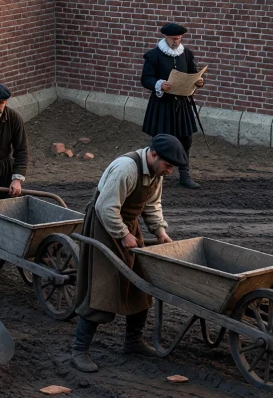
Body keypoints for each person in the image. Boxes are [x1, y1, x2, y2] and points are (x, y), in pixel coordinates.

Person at [70, 133, 186, 373]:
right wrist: (123, 234)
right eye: (168, 165)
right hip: (104, 226)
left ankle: (133, 342)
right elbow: (106, 207)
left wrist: (160, 230)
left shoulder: (156, 173)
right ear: (154, 154)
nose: (170, 172)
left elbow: (152, 204)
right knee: (103, 287)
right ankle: (79, 350)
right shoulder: (127, 168)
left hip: (127, 226)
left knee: (140, 283)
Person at [139, 23, 206, 189]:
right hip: (162, 105)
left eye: (179, 39)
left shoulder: (187, 54)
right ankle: (151, 175)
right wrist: (159, 84)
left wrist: (198, 82)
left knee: (186, 139)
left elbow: (193, 73)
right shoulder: (153, 56)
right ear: (166, 37)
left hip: (182, 104)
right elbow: (145, 79)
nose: (177, 42)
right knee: (160, 140)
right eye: (174, 39)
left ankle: (184, 175)